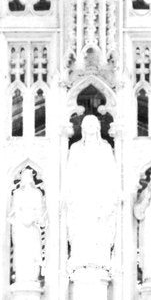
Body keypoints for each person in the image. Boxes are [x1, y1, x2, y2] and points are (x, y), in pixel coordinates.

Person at [64, 114, 119, 274]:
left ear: (98, 128)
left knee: (99, 228)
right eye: (86, 124)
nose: (90, 127)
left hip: (99, 195)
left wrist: (114, 191)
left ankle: (100, 261)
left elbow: (112, 173)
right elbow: (69, 173)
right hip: (81, 195)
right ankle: (80, 261)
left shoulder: (105, 147)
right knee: (82, 228)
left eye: (93, 124)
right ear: (82, 128)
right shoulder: (75, 148)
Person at [9, 171, 46, 287]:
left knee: (33, 251)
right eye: (24, 176)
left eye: (29, 176)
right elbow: (13, 212)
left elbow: (41, 212)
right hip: (20, 227)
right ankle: (21, 277)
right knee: (21, 251)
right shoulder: (17, 193)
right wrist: (23, 218)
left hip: (33, 227)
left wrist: (33, 217)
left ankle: (33, 277)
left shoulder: (37, 193)